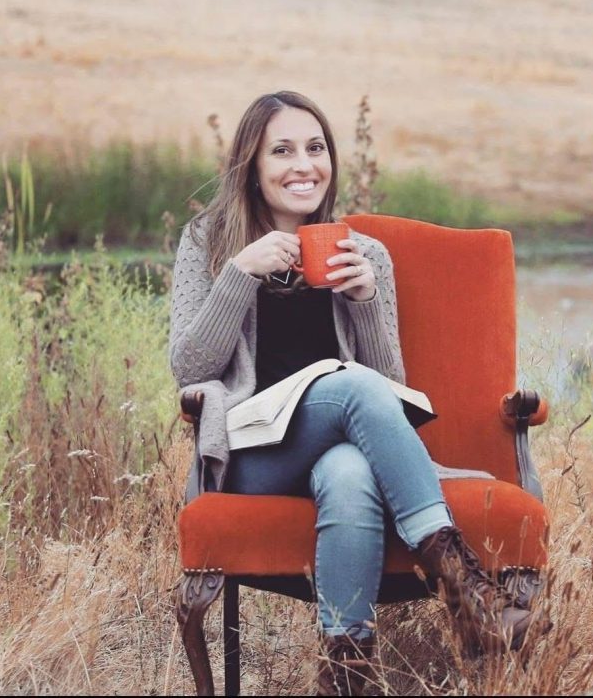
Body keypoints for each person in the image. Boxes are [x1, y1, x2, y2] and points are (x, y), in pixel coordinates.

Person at [168, 91, 533, 694]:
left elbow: (392, 391)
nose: (303, 165)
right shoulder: (208, 243)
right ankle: (461, 586)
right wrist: (240, 273)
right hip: (254, 456)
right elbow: (189, 368)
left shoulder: (365, 256)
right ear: (252, 166)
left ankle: (345, 673)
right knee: (351, 385)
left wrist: (364, 301)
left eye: (316, 148)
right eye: (282, 151)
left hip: (338, 445)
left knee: (349, 472)